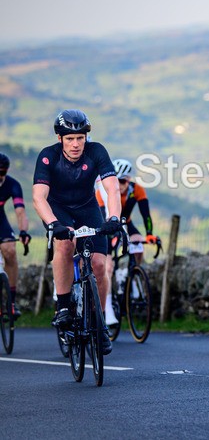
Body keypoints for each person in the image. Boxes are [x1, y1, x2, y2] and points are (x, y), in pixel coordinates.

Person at [32, 110, 122, 355]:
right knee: (65, 244)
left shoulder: (97, 152)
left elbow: (112, 188)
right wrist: (52, 223)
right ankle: (63, 306)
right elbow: (39, 197)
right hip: (57, 209)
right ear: (59, 138)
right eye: (70, 138)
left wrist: (114, 217)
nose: (75, 144)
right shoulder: (48, 156)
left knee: (100, 265)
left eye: (80, 138)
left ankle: (100, 322)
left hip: (87, 207)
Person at [96, 158, 159, 325]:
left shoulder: (137, 189)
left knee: (138, 242)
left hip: (127, 223)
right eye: (116, 180)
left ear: (129, 180)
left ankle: (133, 273)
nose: (120, 184)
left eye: (123, 181)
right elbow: (103, 215)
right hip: (106, 225)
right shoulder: (103, 191)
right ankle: (108, 308)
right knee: (108, 267)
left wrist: (150, 233)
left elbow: (146, 214)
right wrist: (115, 235)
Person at [0, 153, 32, 318]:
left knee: (10, 251)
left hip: (1, 221)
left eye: (2, 174)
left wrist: (23, 231)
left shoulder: (12, 184)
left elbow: (20, 212)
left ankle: (11, 303)